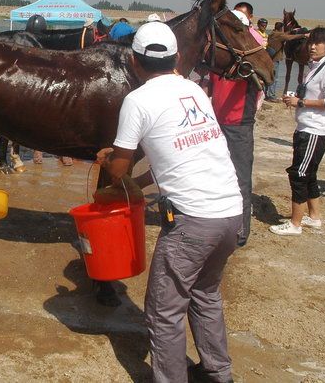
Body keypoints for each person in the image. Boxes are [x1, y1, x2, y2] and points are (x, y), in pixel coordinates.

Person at [96, 21, 242, 383]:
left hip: (192, 222)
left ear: (133, 61)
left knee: (164, 311)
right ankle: (217, 373)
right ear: (177, 58)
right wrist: (142, 181)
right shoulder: (194, 90)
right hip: (230, 212)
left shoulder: (137, 100)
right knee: (205, 294)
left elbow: (117, 170)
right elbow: (175, 157)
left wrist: (107, 160)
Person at [270, 27, 325, 236]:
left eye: (318, 43)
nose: (312, 46)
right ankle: (314, 217)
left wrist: (300, 101)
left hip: (314, 130)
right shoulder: (318, 66)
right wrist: (297, 99)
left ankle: (295, 224)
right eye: (311, 42)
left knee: (299, 174)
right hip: (307, 127)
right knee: (309, 174)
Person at [207, 1, 261, 247]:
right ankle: (218, 222)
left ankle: (241, 231)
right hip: (217, 119)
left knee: (240, 177)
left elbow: (262, 79)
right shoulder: (222, 47)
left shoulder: (254, 49)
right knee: (216, 174)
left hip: (239, 122)